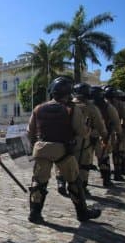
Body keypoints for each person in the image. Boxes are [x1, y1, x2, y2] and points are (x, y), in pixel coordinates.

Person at [27, 76, 101, 224]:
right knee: (74, 181)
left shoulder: (38, 108)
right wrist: (88, 129)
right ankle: (82, 212)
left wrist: (34, 147)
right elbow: (81, 131)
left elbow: (30, 132)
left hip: (41, 149)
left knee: (38, 182)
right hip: (63, 149)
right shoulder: (71, 109)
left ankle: (34, 213)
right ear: (68, 93)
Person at [55, 83, 107, 196]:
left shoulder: (64, 105)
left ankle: (61, 182)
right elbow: (100, 125)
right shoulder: (91, 107)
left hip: (63, 139)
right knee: (83, 164)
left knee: (63, 161)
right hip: (82, 141)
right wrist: (104, 136)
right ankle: (81, 187)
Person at [91, 86, 122, 186]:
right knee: (103, 157)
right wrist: (119, 133)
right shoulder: (107, 106)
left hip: (87, 134)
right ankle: (106, 179)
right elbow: (116, 121)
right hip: (102, 134)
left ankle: (83, 183)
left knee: (84, 158)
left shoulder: (87, 105)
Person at [105, 87, 125, 180]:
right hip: (117, 130)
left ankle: (106, 173)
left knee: (105, 152)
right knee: (118, 152)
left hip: (106, 131)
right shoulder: (120, 104)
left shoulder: (103, 104)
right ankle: (117, 172)